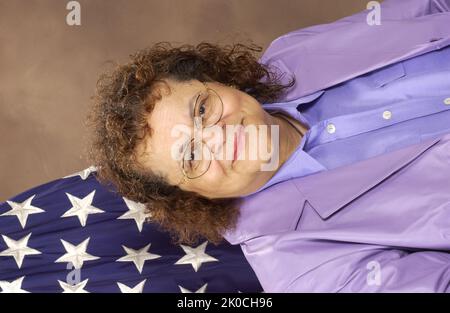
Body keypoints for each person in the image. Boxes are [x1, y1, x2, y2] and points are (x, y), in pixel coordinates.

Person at [87, 0, 450, 273]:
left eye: (201, 110)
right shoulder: (300, 267)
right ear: (192, 197)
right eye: (192, 157)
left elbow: (428, 7)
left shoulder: (289, 53)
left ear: (219, 80)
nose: (218, 136)